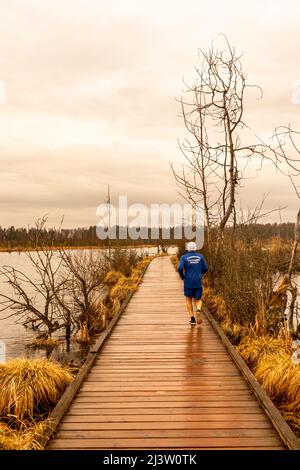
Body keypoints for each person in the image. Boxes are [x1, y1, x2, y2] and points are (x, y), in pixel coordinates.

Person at [178, 241, 208, 326]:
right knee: (198, 299)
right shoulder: (200, 256)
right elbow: (206, 268)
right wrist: (199, 273)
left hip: (188, 282)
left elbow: (180, 268)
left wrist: (182, 276)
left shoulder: (184, 257)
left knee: (188, 299)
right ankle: (198, 311)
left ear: (187, 248)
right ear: (195, 248)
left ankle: (192, 319)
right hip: (198, 281)